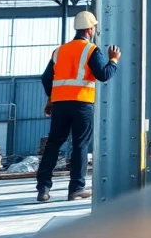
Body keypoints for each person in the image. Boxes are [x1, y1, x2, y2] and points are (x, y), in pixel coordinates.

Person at [37, 11, 119, 202]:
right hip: (82, 104)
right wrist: (114, 59)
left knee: (53, 144)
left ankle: (43, 188)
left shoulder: (59, 51)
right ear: (90, 29)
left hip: (59, 105)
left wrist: (51, 98)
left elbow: (46, 78)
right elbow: (103, 75)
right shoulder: (91, 50)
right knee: (79, 145)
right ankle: (76, 189)